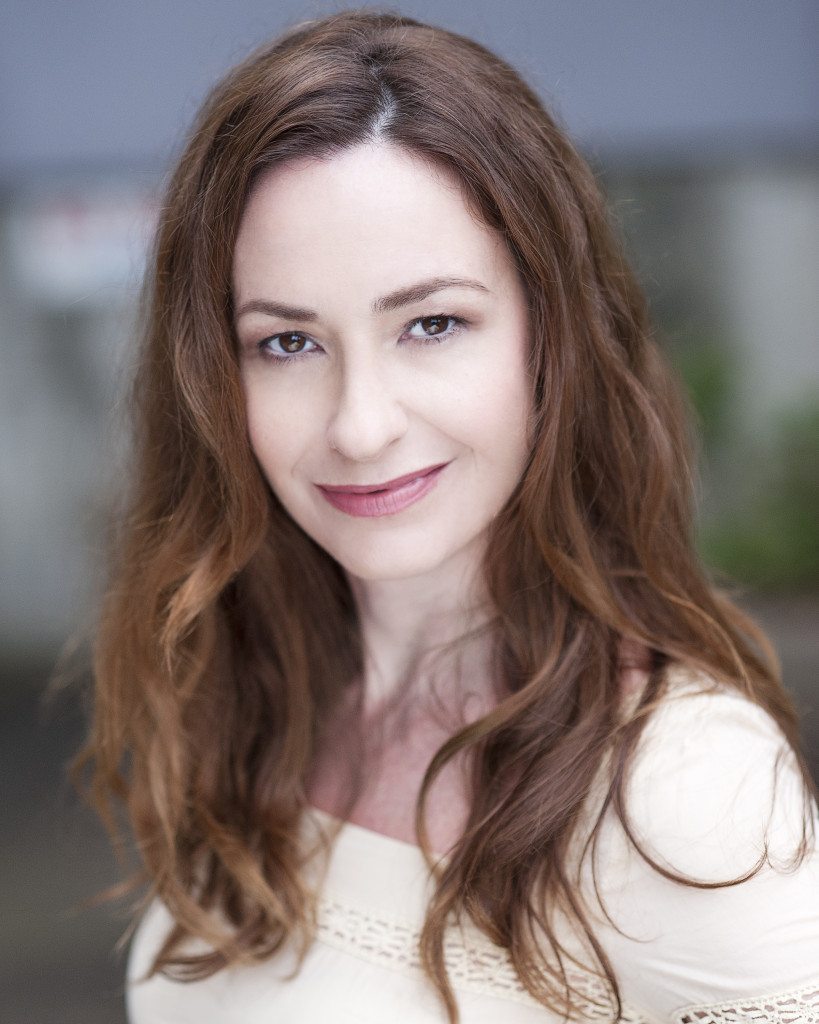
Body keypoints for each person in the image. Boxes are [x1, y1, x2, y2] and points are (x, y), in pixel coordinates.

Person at [80, 9, 819, 1023]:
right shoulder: (251, 700)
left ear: (551, 338)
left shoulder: (683, 790)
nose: (361, 425)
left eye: (432, 323)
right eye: (288, 343)